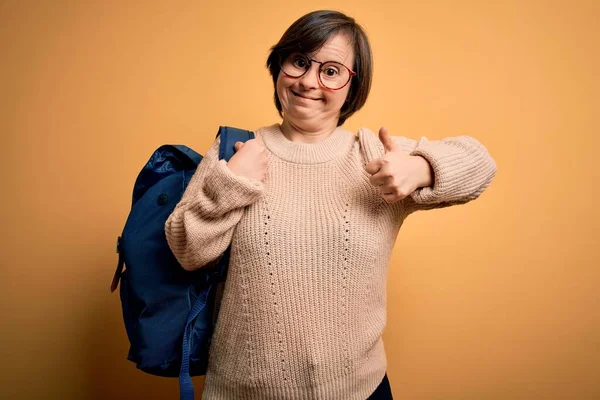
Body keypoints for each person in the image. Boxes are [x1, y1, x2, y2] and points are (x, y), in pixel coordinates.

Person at [165, 9, 496, 400]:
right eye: (299, 62)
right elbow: (187, 250)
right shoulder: (236, 150)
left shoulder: (374, 154)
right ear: (278, 67)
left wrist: (421, 168)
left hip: (359, 390)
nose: (308, 81)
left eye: (332, 70)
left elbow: (480, 163)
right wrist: (232, 183)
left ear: (352, 87)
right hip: (244, 391)